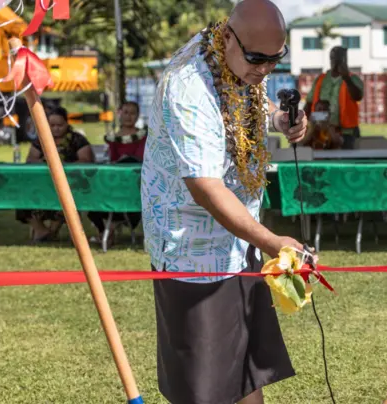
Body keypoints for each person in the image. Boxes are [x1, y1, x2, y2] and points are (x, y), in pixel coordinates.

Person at [140, 1, 309, 403]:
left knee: (248, 374)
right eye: (257, 59)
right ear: (229, 37)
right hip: (192, 256)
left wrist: (276, 118)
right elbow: (205, 186)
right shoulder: (189, 87)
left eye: (275, 60)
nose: (265, 69)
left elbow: (243, 100)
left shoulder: (236, 56)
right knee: (206, 390)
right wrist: (273, 242)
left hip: (238, 244)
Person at [16, 106, 94, 242]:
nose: (56, 128)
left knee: (65, 198)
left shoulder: (77, 140)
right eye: (52, 125)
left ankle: (51, 232)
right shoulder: (41, 140)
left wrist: (64, 166)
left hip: (71, 184)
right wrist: (45, 163)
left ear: (67, 123)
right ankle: (41, 230)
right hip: (43, 183)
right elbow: (30, 160)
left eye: (60, 125)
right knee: (23, 196)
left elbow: (86, 161)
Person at [87, 101, 146, 246]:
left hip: (135, 183)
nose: (128, 116)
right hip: (115, 181)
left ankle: (110, 230)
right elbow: (112, 159)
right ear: (119, 114)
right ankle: (104, 232)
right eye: (125, 112)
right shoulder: (112, 138)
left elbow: (139, 158)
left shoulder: (143, 135)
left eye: (132, 113)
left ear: (138, 115)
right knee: (93, 198)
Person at [304, 46, 364, 149]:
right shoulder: (321, 79)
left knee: (346, 161)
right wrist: (302, 124)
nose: (336, 62)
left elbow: (358, 96)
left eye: (339, 59)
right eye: (333, 58)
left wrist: (346, 78)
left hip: (346, 133)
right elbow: (309, 104)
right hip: (320, 131)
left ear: (345, 59)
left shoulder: (353, 79)